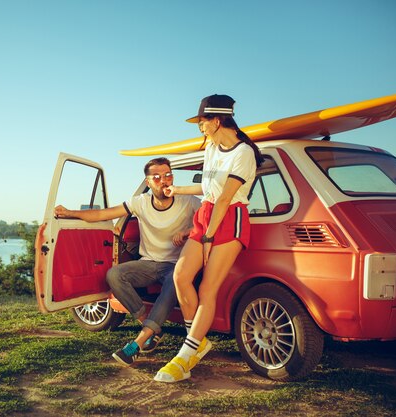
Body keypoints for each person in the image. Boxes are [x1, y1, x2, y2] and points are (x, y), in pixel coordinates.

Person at [154, 94, 264, 383]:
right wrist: (177, 191)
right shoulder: (212, 148)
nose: (199, 127)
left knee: (208, 290)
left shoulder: (244, 153)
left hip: (230, 219)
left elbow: (226, 198)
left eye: (202, 122)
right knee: (180, 276)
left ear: (216, 121)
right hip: (207, 215)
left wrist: (208, 239)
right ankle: (197, 340)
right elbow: (209, 190)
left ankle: (184, 357)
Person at [54, 157, 200, 366]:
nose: (164, 181)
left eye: (168, 175)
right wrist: (70, 213)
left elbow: (210, 222)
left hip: (179, 264)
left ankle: (138, 343)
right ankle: (149, 327)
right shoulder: (139, 202)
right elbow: (104, 214)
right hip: (149, 263)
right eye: (157, 177)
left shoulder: (190, 201)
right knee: (114, 275)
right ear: (148, 182)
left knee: (174, 281)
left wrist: (188, 231)